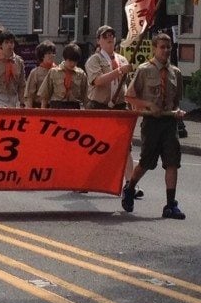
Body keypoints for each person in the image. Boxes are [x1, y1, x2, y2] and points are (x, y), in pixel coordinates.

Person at [123, 32, 187, 219]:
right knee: (146, 162)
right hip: (151, 122)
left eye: (169, 47)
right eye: (162, 47)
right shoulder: (144, 70)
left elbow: (176, 101)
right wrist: (149, 105)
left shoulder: (176, 72)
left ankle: (170, 204)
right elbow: (130, 96)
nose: (166, 50)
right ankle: (130, 187)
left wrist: (178, 112)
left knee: (172, 162)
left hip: (169, 123)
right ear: (154, 48)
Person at [84, 25, 142, 198]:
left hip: (119, 108)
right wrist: (118, 72)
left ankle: (130, 185)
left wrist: (133, 105)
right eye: (105, 36)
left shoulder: (123, 60)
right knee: (93, 145)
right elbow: (97, 81)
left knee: (125, 148)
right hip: (99, 107)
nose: (109, 38)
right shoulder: (94, 60)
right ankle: (86, 181)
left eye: (112, 35)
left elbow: (128, 86)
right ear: (99, 41)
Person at [38, 42, 87, 109]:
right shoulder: (54, 72)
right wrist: (43, 112)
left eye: (75, 61)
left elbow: (86, 96)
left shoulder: (81, 74)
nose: (72, 64)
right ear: (65, 58)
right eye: (70, 61)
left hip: (74, 106)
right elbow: (45, 95)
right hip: (56, 106)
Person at [24, 41, 57, 108]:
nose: (52, 55)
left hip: (54, 107)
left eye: (53, 53)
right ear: (42, 56)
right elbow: (29, 96)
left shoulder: (58, 71)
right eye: (49, 53)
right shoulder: (35, 72)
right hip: (39, 107)